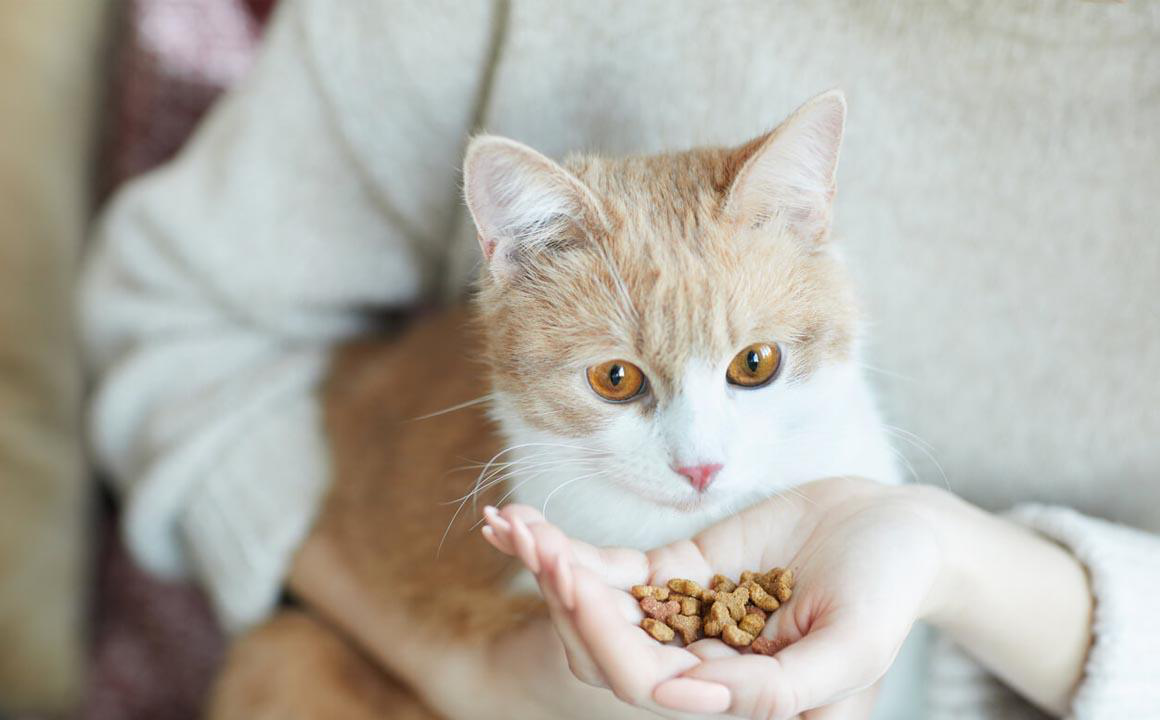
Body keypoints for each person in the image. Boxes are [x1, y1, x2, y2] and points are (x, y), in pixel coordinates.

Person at [80, 1, 1160, 718]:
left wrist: (957, 569)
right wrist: (471, 674)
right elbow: (178, 319)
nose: (700, 460)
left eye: (750, 371)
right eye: (617, 381)